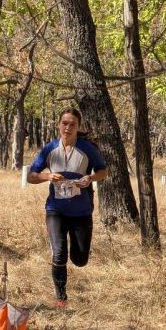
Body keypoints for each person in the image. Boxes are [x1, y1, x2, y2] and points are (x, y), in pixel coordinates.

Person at [28, 107, 108, 307]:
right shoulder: (49, 149)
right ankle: (61, 297)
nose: (68, 127)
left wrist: (90, 178)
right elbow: (30, 176)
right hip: (56, 210)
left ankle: (78, 250)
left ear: (78, 127)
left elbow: (103, 171)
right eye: (65, 123)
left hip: (81, 211)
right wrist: (47, 176)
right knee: (59, 253)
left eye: (73, 124)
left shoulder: (87, 149)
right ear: (58, 125)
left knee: (80, 260)